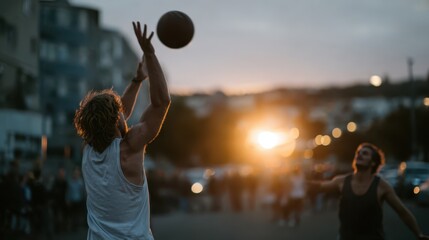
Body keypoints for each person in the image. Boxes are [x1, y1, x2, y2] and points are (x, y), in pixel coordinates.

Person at [73, 22, 171, 239]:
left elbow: (120, 114)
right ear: (116, 120)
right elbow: (161, 102)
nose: (123, 113)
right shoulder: (129, 149)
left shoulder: (87, 150)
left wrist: (137, 80)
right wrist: (150, 53)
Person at [310, 142, 429, 240]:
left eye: (365, 153)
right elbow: (320, 186)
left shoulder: (382, 186)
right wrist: (296, 182)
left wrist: (418, 234)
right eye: (358, 153)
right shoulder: (341, 181)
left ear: (373, 163)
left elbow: (402, 212)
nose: (359, 155)